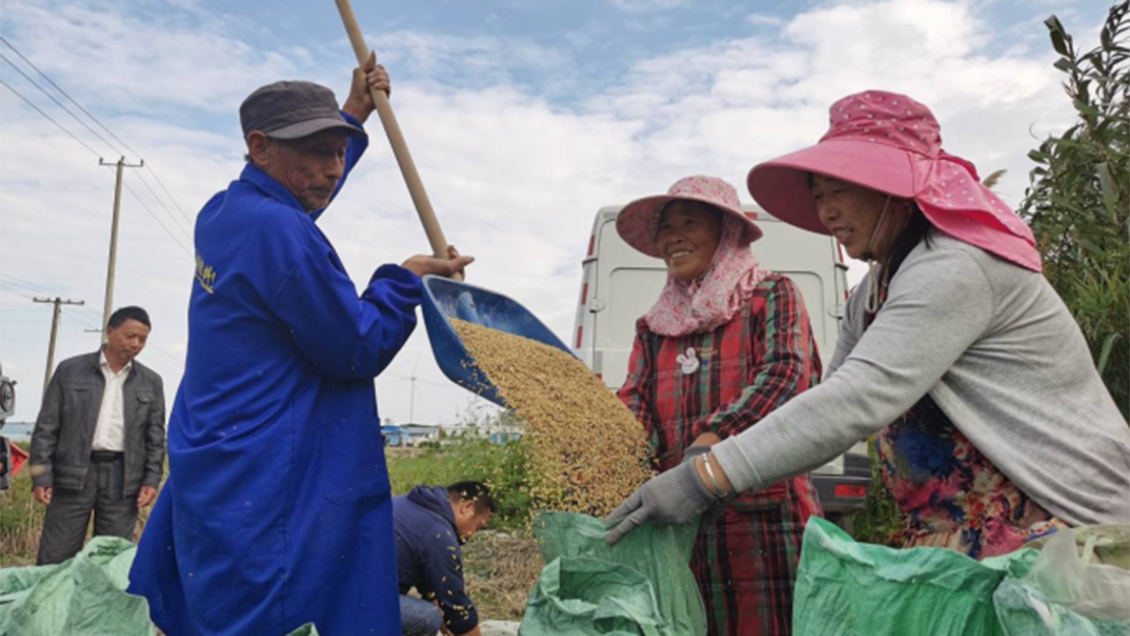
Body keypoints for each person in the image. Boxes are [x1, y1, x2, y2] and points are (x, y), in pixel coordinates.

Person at [606, 90, 1130, 562]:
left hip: (1065, 524)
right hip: (959, 534)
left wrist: (706, 475)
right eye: (818, 195)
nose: (826, 212)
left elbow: (858, 398)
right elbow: (831, 400)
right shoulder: (874, 290)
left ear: (892, 188)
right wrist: (723, 476)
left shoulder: (956, 265)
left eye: (838, 191)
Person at [127, 56, 473, 636]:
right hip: (270, 465)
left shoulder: (225, 212)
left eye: (341, 152)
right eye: (317, 153)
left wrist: (354, 111)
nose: (333, 169)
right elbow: (357, 346)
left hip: (219, 446)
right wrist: (404, 280)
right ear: (259, 146)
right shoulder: (281, 232)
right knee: (274, 612)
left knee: (216, 601)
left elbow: (299, 203)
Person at [610, 175, 824, 635]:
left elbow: (787, 374)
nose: (674, 237)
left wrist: (714, 439)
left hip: (763, 517)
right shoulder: (654, 326)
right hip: (681, 519)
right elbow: (636, 399)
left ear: (727, 233)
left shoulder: (771, 294)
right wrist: (622, 455)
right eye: (666, 228)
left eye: (689, 223)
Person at [29, 306, 165, 565]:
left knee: (111, 558)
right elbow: (46, 427)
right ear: (110, 331)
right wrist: (41, 476)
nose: (136, 344)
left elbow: (155, 437)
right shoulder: (70, 370)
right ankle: (51, 593)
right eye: (130, 336)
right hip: (71, 474)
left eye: (142, 339)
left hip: (123, 480)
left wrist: (151, 480)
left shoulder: (151, 381)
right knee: (55, 555)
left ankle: (101, 594)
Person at [393, 481, 496, 636]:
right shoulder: (440, 534)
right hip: (359, 603)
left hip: (356, 591)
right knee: (427, 617)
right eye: (477, 527)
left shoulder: (412, 508)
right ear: (467, 507)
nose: (470, 536)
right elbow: (458, 610)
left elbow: (434, 592)